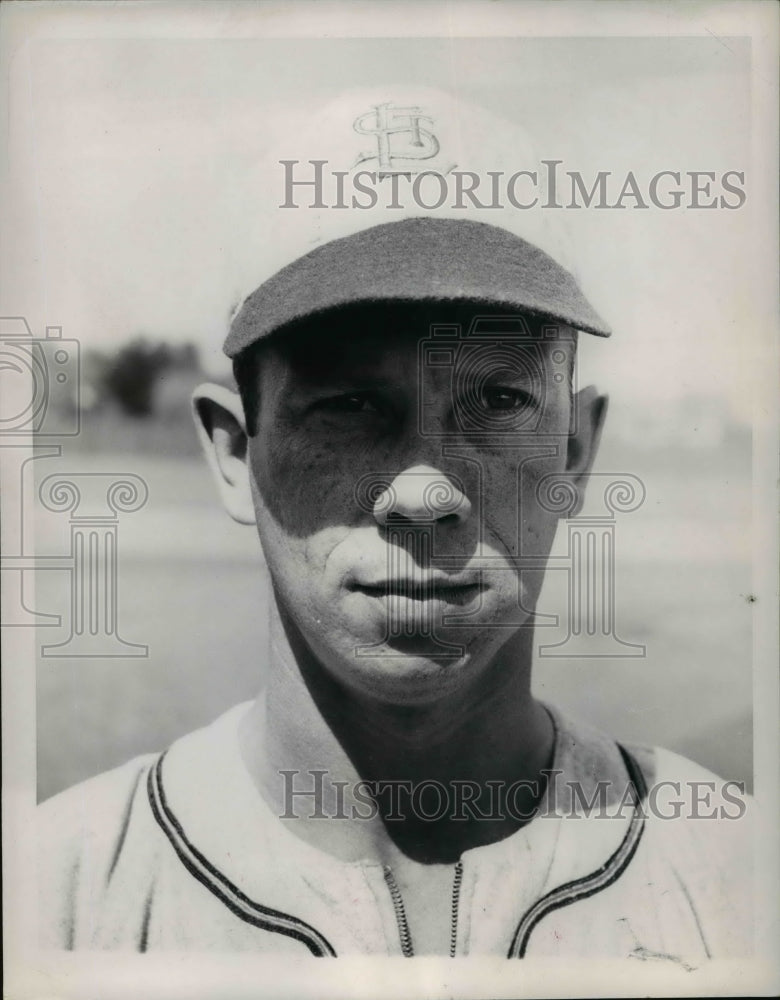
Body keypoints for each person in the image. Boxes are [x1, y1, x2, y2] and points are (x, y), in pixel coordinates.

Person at [38, 214, 752, 960]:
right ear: (234, 453)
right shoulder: (63, 893)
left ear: (573, 451)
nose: (422, 493)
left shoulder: (735, 873)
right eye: (347, 405)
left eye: (499, 402)